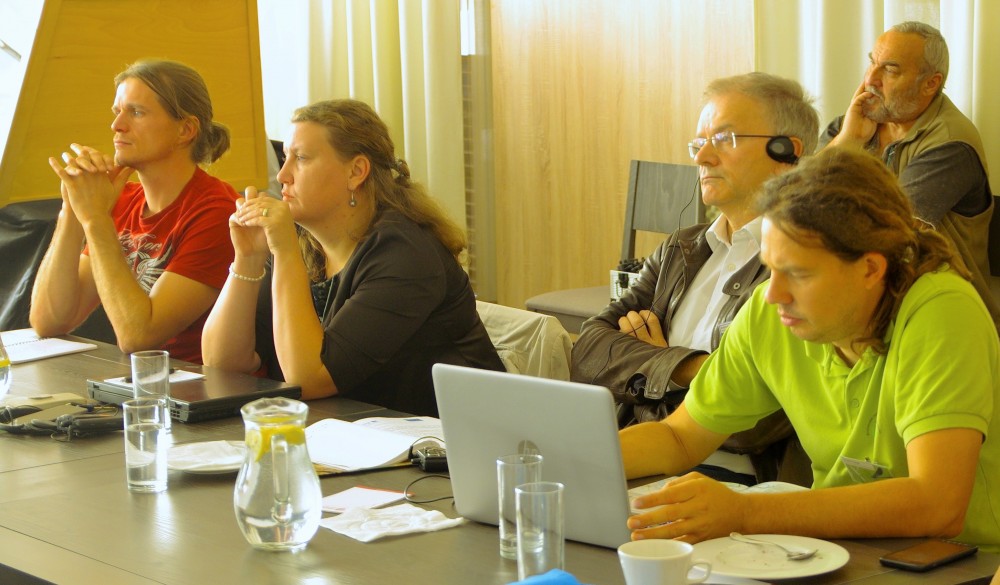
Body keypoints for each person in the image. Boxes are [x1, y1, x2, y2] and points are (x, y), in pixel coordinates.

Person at [623, 147, 1000, 552]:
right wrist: (577, 455)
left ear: (870, 269)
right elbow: (679, 438)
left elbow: (938, 504)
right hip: (840, 552)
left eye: (799, 274)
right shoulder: (770, 312)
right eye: (771, 268)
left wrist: (745, 512)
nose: (773, 294)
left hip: (963, 563)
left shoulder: (941, 311)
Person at [571, 72, 819, 485]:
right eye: (699, 142)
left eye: (724, 139)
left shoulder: (805, 263)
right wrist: (684, 366)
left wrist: (653, 369)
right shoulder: (682, 248)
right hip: (643, 457)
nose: (702, 157)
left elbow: (753, 425)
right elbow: (589, 352)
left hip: (738, 482)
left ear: (786, 151)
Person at [201, 99, 504, 415]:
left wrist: (285, 253)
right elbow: (222, 363)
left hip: (445, 436)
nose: (282, 176)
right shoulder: (302, 243)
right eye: (284, 157)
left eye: (301, 158)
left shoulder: (405, 253)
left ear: (356, 172)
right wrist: (248, 258)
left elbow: (310, 380)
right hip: (351, 431)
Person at [32, 59, 238, 364]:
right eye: (117, 111)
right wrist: (72, 211)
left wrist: (95, 219)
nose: (117, 125)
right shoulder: (123, 198)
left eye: (137, 112)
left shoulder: (217, 212)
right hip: (141, 381)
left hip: (202, 384)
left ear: (185, 130)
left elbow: (138, 337)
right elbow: (50, 321)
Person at [819, 21, 999, 329]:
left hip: (944, 315)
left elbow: (890, 231)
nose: (870, 80)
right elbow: (793, 201)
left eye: (890, 70)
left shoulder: (951, 143)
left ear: (930, 83)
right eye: (872, 63)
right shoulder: (853, 123)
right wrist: (847, 141)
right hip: (868, 300)